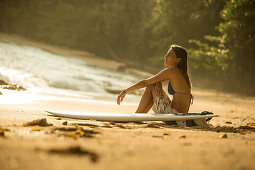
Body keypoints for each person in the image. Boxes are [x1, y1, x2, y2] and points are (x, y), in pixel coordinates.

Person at [117, 44, 193, 114]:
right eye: (166, 54)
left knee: (150, 86)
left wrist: (125, 91)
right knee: (152, 85)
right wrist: (158, 83)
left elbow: (146, 82)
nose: (165, 56)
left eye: (170, 54)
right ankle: (138, 115)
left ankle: (137, 115)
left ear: (178, 60)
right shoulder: (180, 73)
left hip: (174, 115)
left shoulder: (171, 71)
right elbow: (156, 79)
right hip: (178, 115)